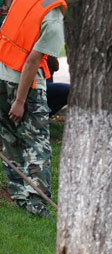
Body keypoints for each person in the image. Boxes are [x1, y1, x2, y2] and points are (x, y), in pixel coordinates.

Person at [0, 0, 66, 216]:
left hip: (1, 76)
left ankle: (19, 195)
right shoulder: (53, 16)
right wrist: (20, 101)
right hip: (25, 84)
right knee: (37, 145)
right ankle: (37, 206)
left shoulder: (22, 1)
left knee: (10, 138)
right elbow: (31, 61)